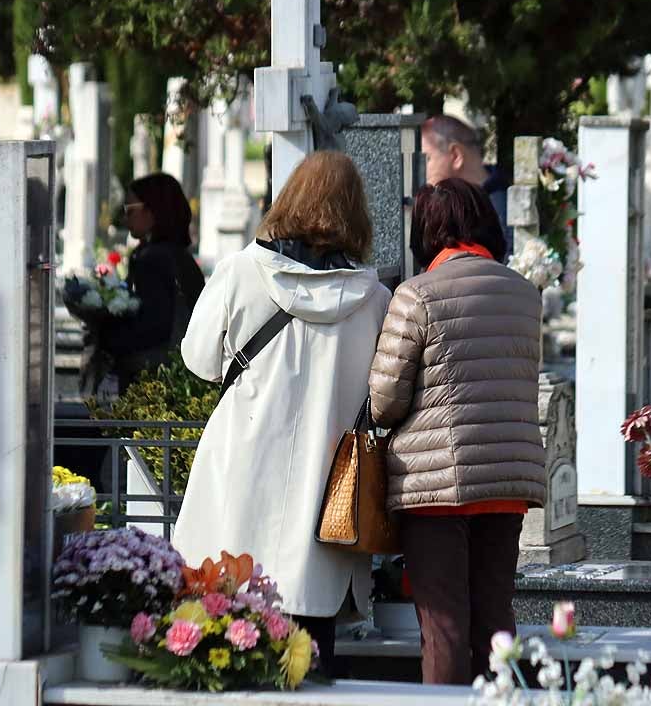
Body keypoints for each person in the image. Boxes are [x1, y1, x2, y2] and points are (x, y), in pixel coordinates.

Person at [173, 150, 391, 673]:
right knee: (311, 659)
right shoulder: (375, 299)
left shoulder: (240, 271)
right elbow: (383, 397)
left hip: (240, 474)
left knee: (227, 637)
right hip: (326, 493)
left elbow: (199, 360)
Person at [368, 178, 548, 685]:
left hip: (435, 488)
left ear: (426, 232)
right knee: (495, 622)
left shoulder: (417, 295)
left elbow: (385, 402)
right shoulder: (523, 294)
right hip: (507, 485)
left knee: (444, 628)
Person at [100, 173, 205, 392]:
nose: (125, 219)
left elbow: (153, 327)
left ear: (153, 211)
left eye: (130, 210)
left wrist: (107, 335)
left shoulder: (153, 259)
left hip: (152, 380)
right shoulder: (179, 256)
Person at [421, 115, 513, 255]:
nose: (419, 170)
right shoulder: (444, 206)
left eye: (426, 159)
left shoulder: (505, 212)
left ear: (456, 156)